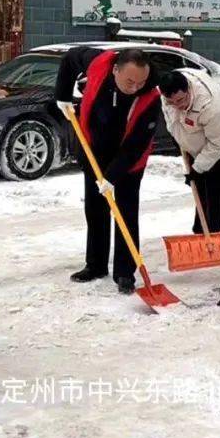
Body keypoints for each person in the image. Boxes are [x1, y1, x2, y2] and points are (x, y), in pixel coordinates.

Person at [54, 47, 160, 294]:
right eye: (129, 81)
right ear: (115, 71)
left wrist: (112, 177)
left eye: (141, 82)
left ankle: (125, 273)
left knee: (125, 212)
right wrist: (62, 94)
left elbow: (135, 146)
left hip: (129, 162)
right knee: (95, 208)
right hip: (94, 151)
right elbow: (70, 59)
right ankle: (95, 265)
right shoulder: (99, 64)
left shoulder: (150, 99)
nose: (135, 87)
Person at [159, 68, 220, 233]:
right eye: (171, 102)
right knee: (199, 189)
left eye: (181, 100)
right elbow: (172, 118)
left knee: (214, 190)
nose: (177, 106)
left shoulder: (210, 104)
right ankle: (199, 231)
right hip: (193, 136)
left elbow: (217, 143)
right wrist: (180, 141)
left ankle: (212, 233)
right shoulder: (167, 95)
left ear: (189, 89)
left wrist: (198, 169)